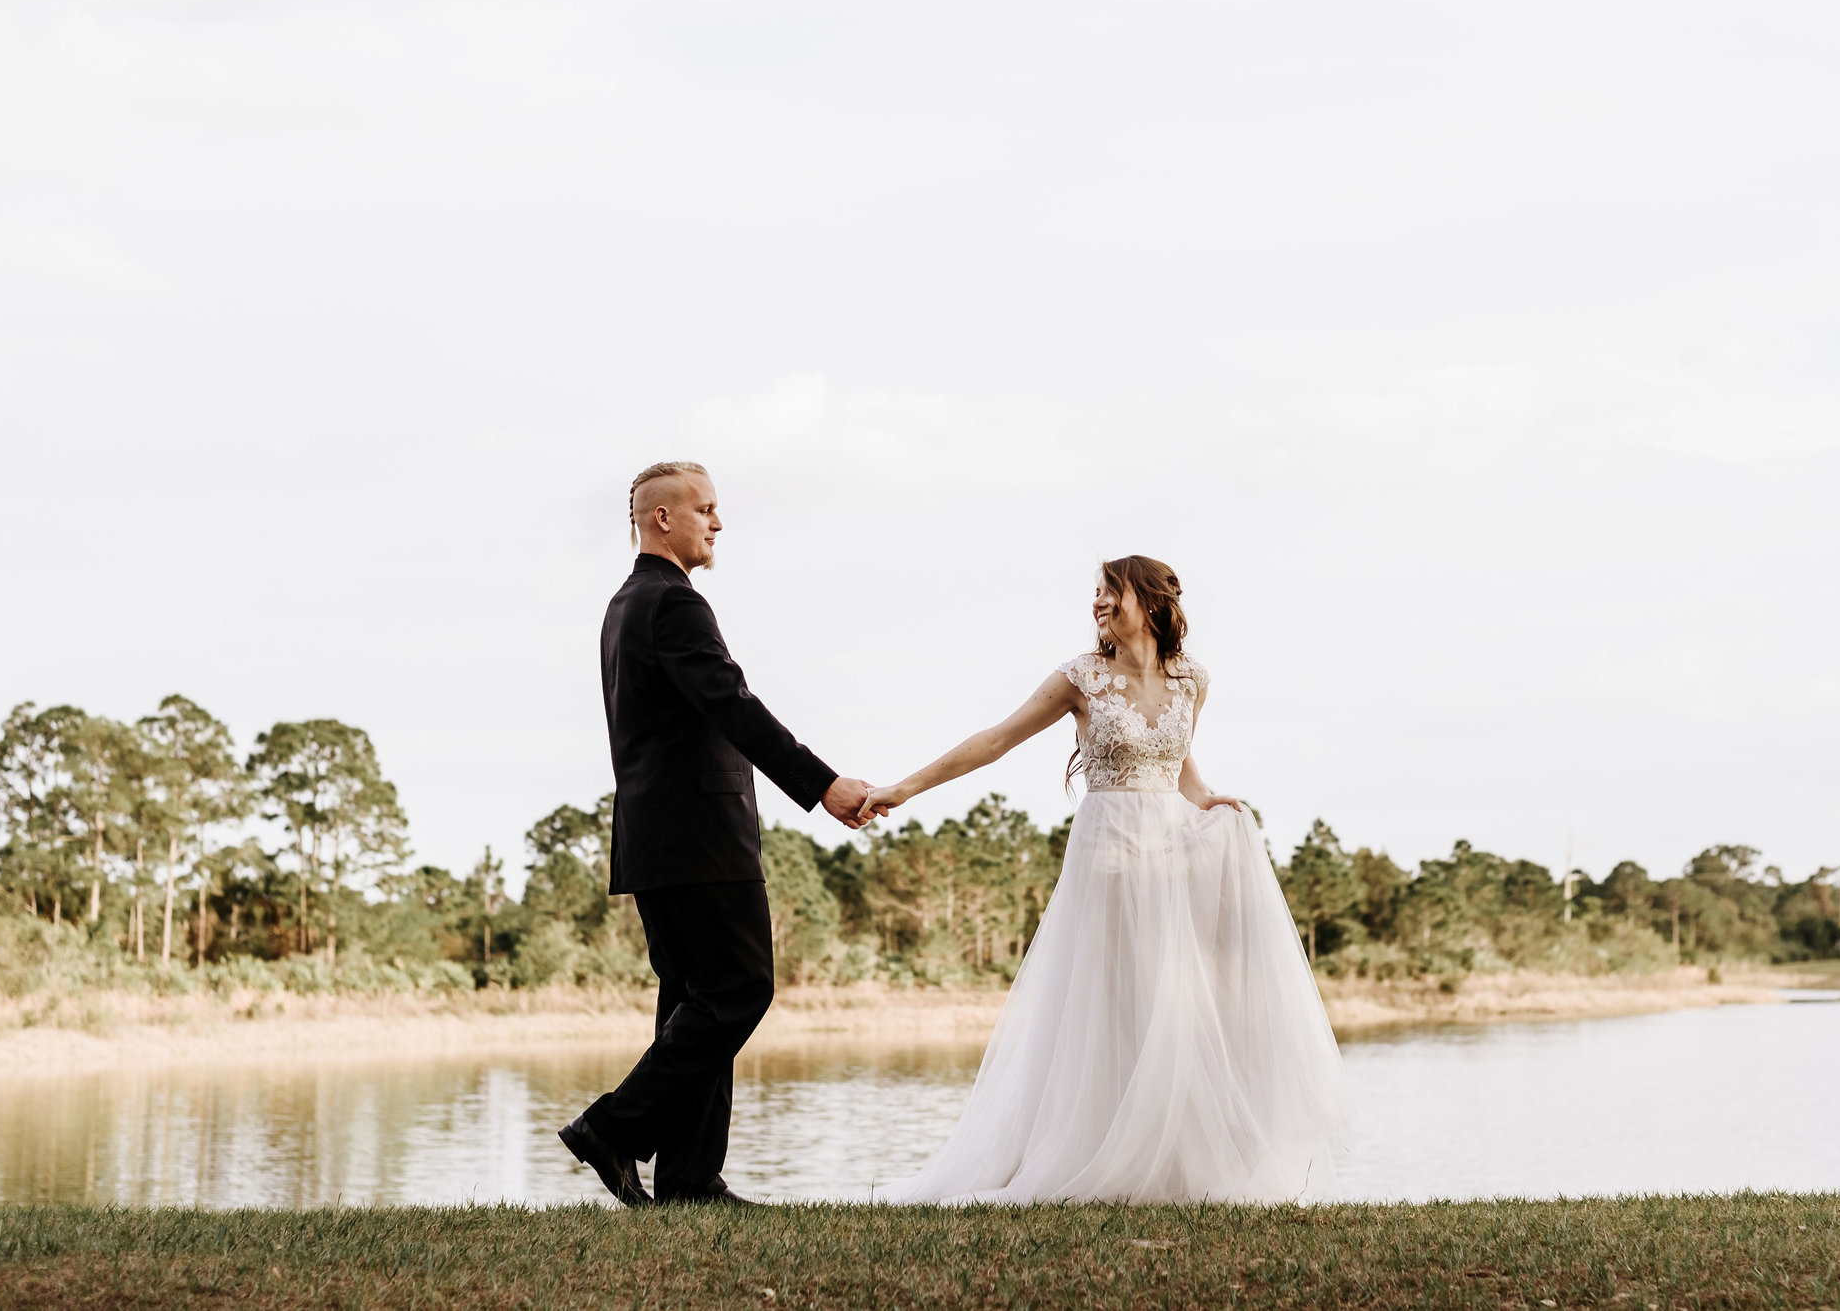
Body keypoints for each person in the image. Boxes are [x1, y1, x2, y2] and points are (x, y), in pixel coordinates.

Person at [859, 554, 1351, 1204]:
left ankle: (1171, 1160)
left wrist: (1214, 804)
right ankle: (1091, 1153)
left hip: (1170, 858)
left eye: (1108, 592)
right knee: (1108, 1004)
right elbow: (997, 738)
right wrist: (904, 786)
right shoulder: (1080, 677)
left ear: (1147, 602)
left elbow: (1181, 768)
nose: (1096, 604)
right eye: (1093, 593)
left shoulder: (1193, 680)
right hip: (1108, 854)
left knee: (1169, 1005)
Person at [557, 461, 876, 1207]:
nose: (718, 522)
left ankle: (691, 1179)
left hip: (656, 838)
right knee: (739, 989)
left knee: (692, 999)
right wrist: (821, 783)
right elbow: (734, 707)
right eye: (706, 508)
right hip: (700, 834)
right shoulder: (672, 604)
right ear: (660, 518)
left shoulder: (622, 604)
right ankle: (612, 1125)